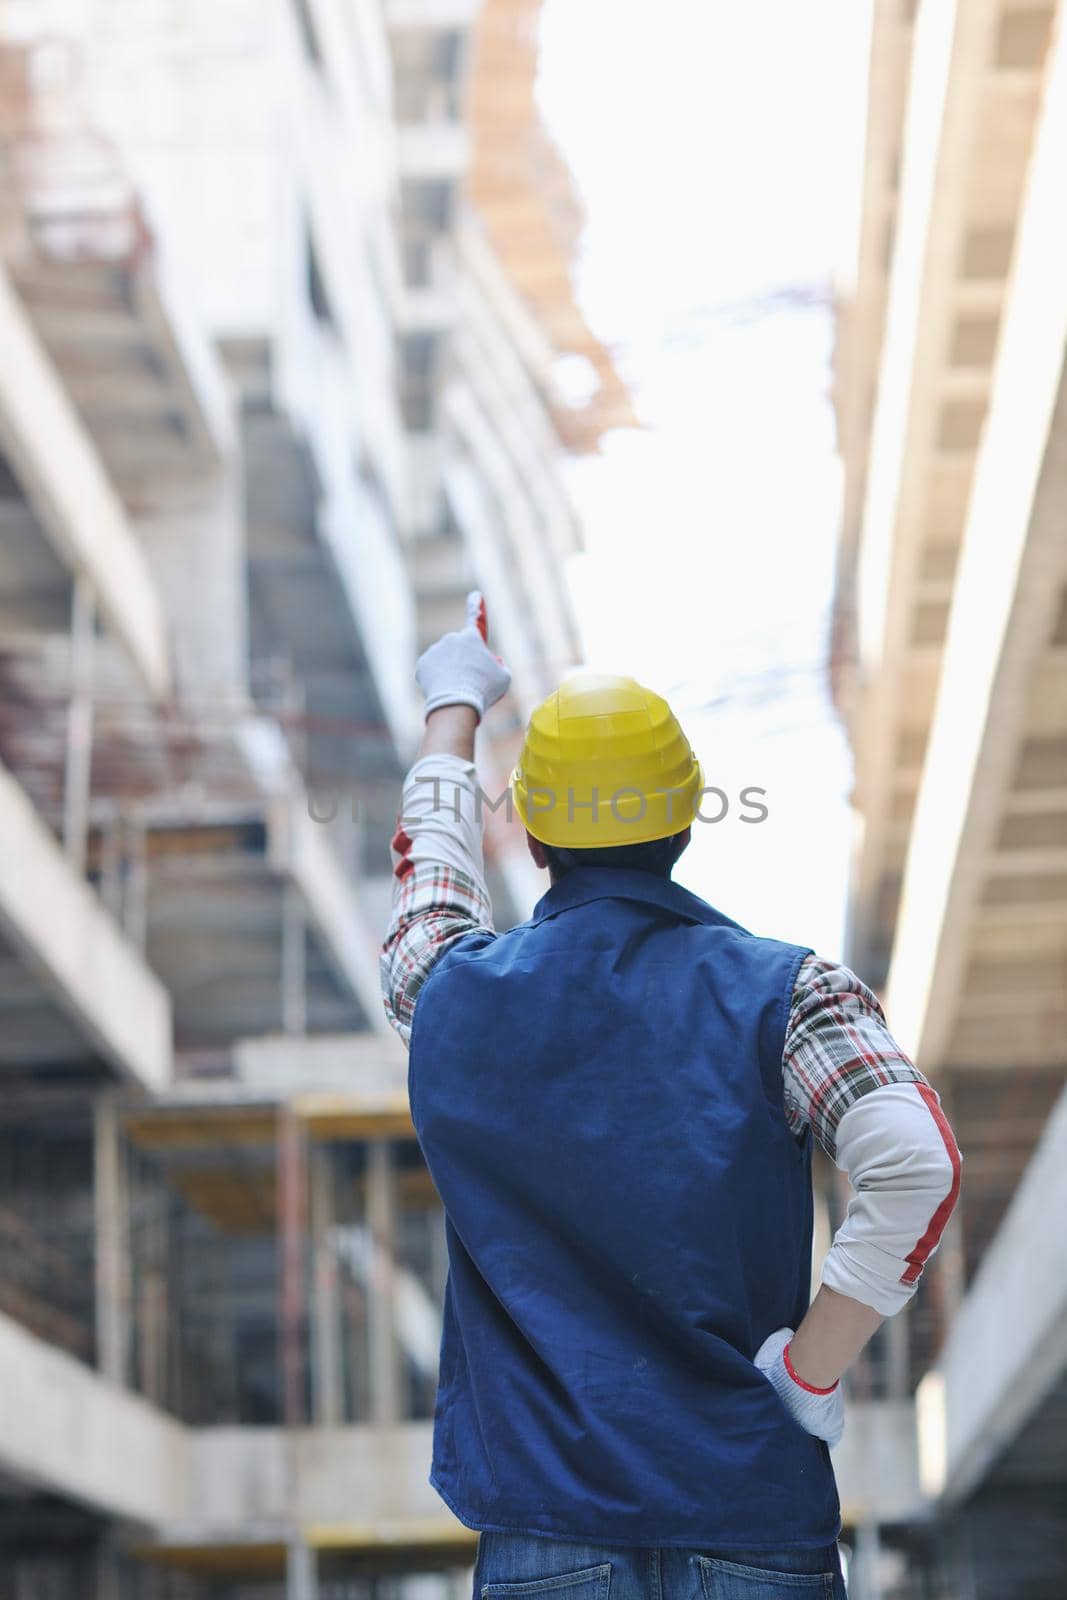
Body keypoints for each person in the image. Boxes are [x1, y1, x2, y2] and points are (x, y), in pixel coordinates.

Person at [380, 595, 962, 1600]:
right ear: (685, 819)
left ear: (531, 836)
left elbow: (426, 890)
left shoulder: (454, 994)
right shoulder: (790, 994)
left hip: (543, 1535)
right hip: (751, 1517)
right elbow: (916, 1162)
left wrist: (453, 705)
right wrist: (810, 1373)